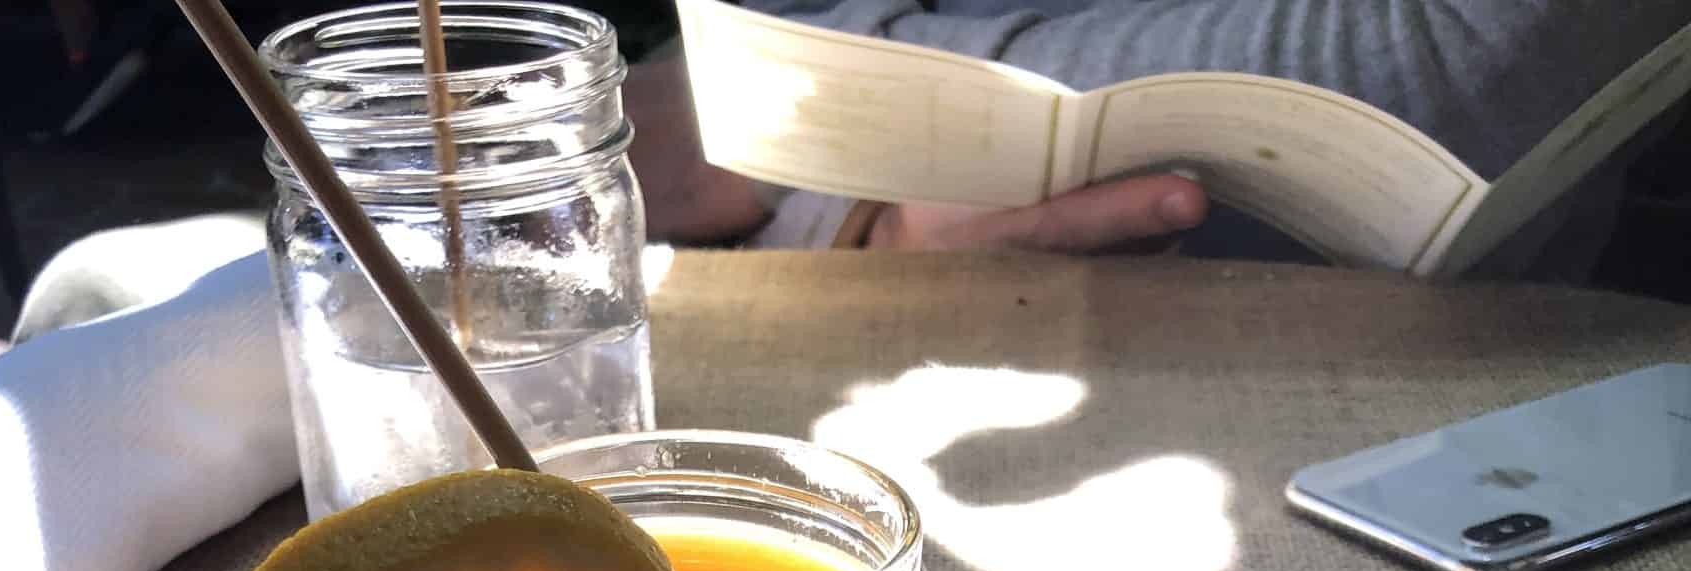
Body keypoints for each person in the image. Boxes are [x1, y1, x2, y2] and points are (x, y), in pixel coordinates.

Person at [627, 0, 1688, 279]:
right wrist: (851, 213)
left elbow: (1474, 62)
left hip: (1428, 408)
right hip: (841, 296)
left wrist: (806, 100)